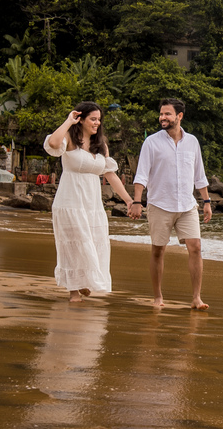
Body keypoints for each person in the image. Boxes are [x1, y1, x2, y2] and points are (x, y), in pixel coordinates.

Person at [44, 102, 134, 302]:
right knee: (74, 245)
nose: (97, 123)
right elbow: (52, 144)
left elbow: (111, 175)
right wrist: (68, 121)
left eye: (99, 119)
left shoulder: (101, 145)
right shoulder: (68, 138)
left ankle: (84, 282)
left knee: (92, 243)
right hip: (70, 202)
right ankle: (73, 291)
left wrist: (129, 200)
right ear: (81, 119)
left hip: (92, 205)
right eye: (93, 119)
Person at [128, 99, 212, 310]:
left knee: (196, 247)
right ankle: (158, 297)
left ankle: (196, 298)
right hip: (159, 204)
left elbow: (199, 174)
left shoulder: (192, 142)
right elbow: (141, 175)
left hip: (187, 205)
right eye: (161, 114)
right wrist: (137, 201)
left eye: (167, 114)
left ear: (179, 116)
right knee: (158, 250)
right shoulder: (151, 142)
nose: (163, 117)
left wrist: (207, 201)